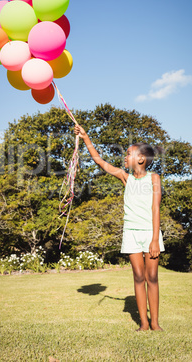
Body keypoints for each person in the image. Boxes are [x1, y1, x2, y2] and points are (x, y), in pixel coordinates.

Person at [74, 123, 165, 332]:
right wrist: (86, 137)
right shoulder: (126, 178)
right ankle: (143, 323)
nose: (125, 158)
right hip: (131, 234)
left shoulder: (154, 178)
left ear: (141, 159)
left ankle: (155, 323)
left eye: (129, 154)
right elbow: (99, 161)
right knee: (138, 277)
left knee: (152, 277)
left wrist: (154, 239)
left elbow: (155, 209)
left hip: (150, 234)